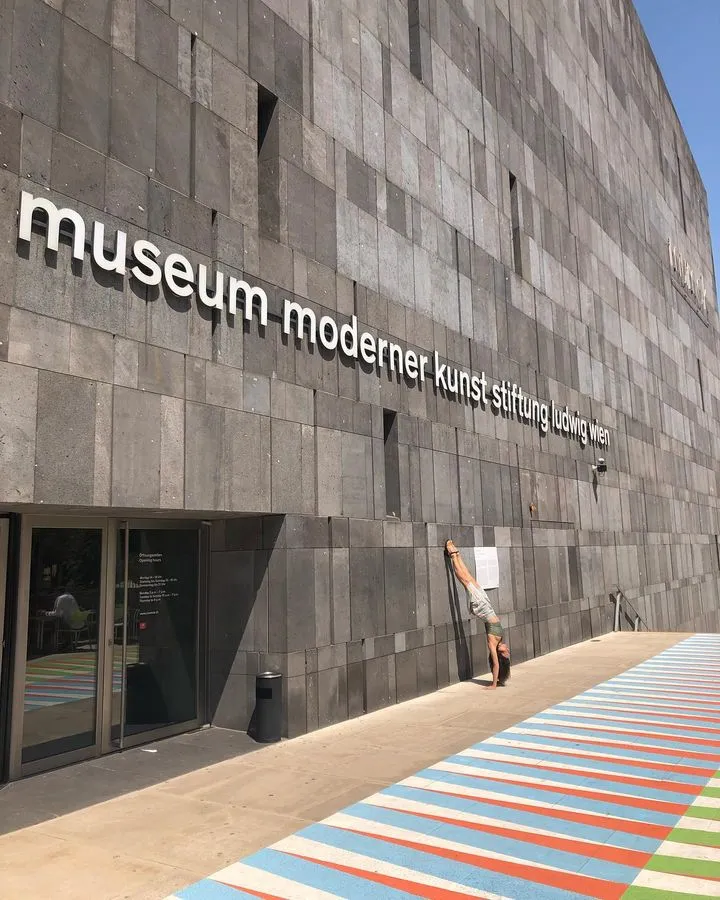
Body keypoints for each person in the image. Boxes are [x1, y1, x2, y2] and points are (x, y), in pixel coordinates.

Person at [445, 540, 510, 688]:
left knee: (463, 579)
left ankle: (452, 554)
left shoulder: (493, 644)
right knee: (469, 577)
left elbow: (495, 665)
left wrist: (494, 684)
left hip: (481, 607)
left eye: (506, 653)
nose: (508, 650)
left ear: (500, 656)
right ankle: (456, 555)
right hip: (487, 605)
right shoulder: (499, 640)